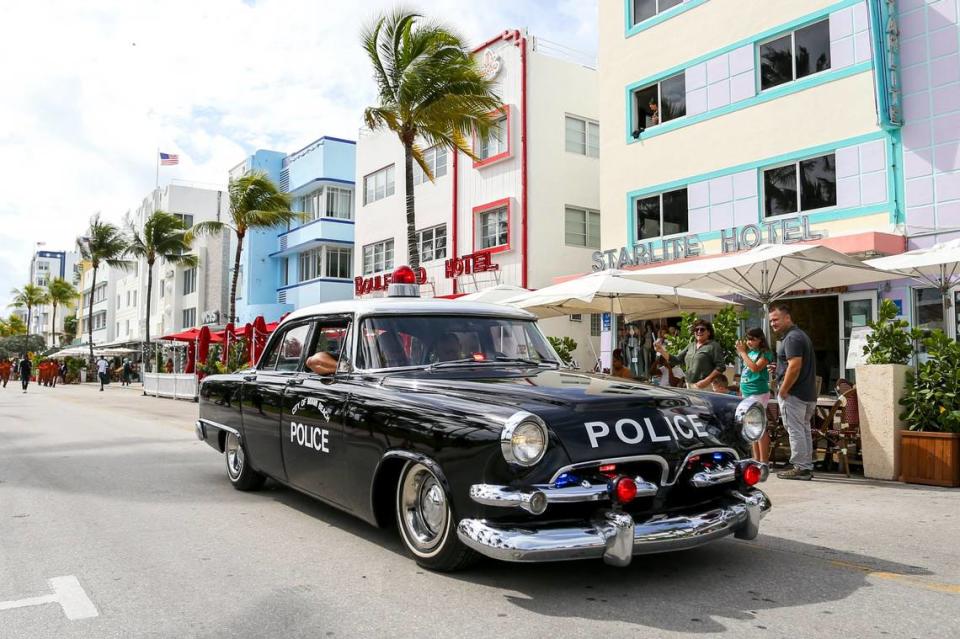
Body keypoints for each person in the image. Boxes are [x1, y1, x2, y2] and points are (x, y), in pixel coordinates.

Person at [769, 304, 818, 481]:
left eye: (776, 319)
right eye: (771, 321)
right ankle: (805, 465)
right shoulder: (800, 336)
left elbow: (795, 365)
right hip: (807, 393)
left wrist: (783, 389)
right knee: (803, 429)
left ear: (787, 318)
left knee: (795, 430)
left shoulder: (792, 338)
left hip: (794, 394)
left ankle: (801, 467)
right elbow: (793, 364)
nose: (773, 324)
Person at [736, 328, 774, 463]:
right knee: (751, 426)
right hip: (747, 393)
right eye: (748, 339)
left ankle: (763, 461)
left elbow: (755, 368)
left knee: (758, 426)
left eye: (752, 339)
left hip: (758, 392)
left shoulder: (765, 353)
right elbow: (746, 373)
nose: (749, 342)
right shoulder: (750, 352)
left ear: (760, 340)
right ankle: (756, 459)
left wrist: (742, 353)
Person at [655, 319, 726, 390]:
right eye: (696, 329)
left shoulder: (714, 346)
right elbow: (676, 360)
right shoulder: (691, 346)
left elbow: (720, 367)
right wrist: (661, 351)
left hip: (705, 386)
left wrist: (706, 381)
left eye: (702, 329)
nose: (699, 331)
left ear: (709, 332)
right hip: (689, 385)